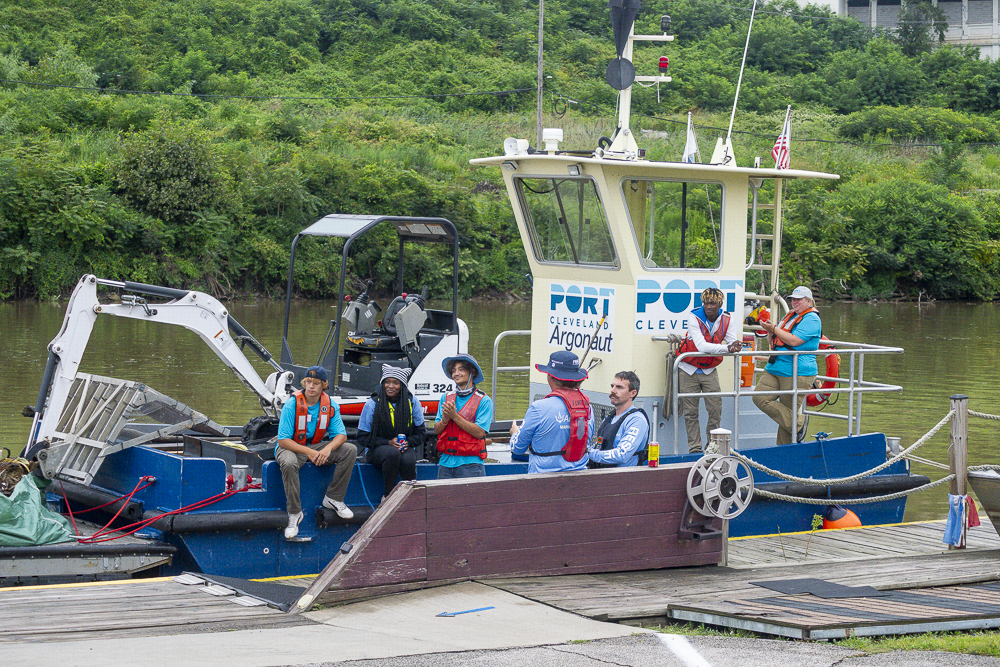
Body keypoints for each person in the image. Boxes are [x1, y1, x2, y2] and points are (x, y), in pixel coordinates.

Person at [275, 366, 357, 539]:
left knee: (350, 450)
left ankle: (334, 498)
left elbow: (341, 435)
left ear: (324, 385)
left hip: (316, 447)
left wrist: (327, 449)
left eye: (316, 383)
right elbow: (283, 440)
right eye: (309, 382)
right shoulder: (292, 404)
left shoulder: (330, 405)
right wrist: (309, 453)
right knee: (288, 463)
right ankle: (295, 513)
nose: (311, 386)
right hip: (291, 447)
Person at [753, 285, 822, 445]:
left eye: (799, 299)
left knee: (787, 415)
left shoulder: (812, 319)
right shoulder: (790, 316)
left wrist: (774, 328)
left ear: (809, 301)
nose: (794, 302)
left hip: (797, 370)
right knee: (759, 397)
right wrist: (769, 330)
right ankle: (798, 423)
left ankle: (783, 450)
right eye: (792, 299)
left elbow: (794, 341)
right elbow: (773, 341)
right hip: (775, 366)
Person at [676, 287, 742, 453]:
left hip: (709, 370)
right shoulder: (694, 316)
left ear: (720, 304)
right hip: (688, 369)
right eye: (705, 303)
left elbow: (732, 342)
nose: (708, 306)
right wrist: (728, 348)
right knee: (690, 413)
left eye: (712, 303)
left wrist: (734, 346)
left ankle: (711, 448)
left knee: (715, 409)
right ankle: (695, 449)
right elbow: (701, 346)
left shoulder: (727, 319)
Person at [510, 350, 595, 473]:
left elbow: (517, 448)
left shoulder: (538, 408)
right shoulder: (587, 407)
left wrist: (515, 433)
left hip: (543, 479)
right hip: (581, 477)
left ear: (551, 378)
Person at [357, 366, 425, 501]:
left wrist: (408, 443)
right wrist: (387, 442)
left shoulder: (412, 402)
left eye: (396, 383)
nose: (390, 386)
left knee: (408, 459)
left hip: (403, 447)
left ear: (402, 386)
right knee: (392, 453)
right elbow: (362, 437)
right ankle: (388, 496)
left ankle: (410, 498)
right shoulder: (372, 404)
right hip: (376, 449)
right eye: (387, 382)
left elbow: (421, 434)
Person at [434, 354, 494, 479]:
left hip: (471, 465)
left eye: (461, 369)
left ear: (472, 372)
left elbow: (479, 432)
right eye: (453, 370)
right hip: (445, 463)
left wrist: (454, 416)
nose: (456, 374)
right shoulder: (445, 398)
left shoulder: (484, 400)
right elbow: (437, 430)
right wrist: (445, 419)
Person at [588, 371, 650, 468]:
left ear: (633, 393)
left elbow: (622, 454)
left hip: (624, 476)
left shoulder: (637, 420)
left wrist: (589, 453)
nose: (613, 390)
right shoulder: (610, 417)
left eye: (619, 387)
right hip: (602, 474)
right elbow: (598, 445)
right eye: (612, 386)